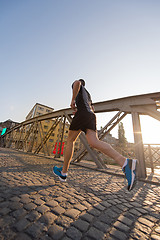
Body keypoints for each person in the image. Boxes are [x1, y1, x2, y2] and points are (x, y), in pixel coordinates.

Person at [53, 79, 137, 191]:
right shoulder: (88, 95)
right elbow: (92, 108)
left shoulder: (78, 85)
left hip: (83, 114)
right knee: (94, 142)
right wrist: (80, 112)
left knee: (70, 141)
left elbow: (77, 82)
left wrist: (73, 100)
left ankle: (63, 172)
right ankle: (125, 162)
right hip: (91, 116)